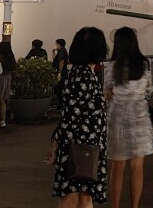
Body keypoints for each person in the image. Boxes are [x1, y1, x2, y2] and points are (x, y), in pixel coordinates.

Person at [47, 27, 108, 207]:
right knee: (75, 194)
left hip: (80, 145)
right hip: (81, 146)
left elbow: (70, 115)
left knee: (80, 194)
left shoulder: (81, 74)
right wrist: (56, 143)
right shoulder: (84, 77)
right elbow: (72, 116)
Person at [105, 27, 153, 208]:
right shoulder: (143, 64)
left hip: (117, 120)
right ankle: (134, 206)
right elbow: (149, 91)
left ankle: (115, 206)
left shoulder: (112, 66)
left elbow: (108, 91)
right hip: (140, 120)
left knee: (117, 169)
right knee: (137, 168)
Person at [0, 41, 16, 128]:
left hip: (0, 78)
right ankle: (3, 120)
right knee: (3, 100)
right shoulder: (11, 57)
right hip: (8, 77)